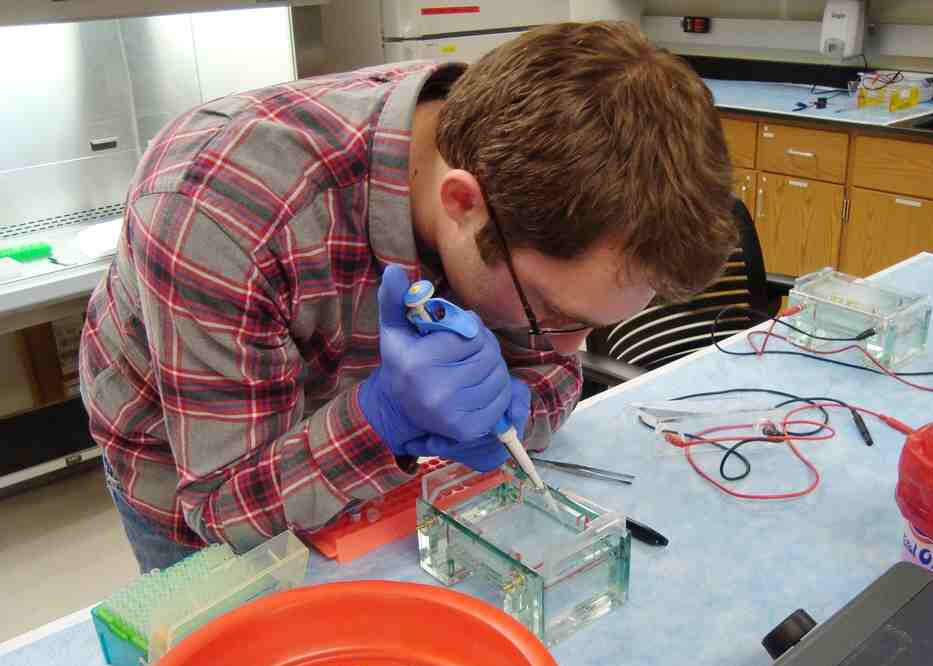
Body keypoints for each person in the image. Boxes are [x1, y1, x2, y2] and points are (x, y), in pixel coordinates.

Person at [79, 21, 736, 571]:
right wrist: (383, 420)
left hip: (354, 465)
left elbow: (548, 374)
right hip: (190, 473)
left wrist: (515, 406)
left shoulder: (523, 150)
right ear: (461, 203)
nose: (569, 352)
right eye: (556, 316)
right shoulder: (224, 212)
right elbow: (225, 512)